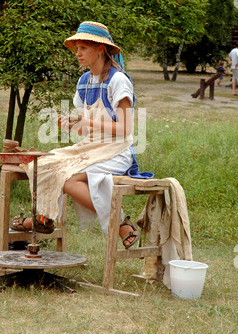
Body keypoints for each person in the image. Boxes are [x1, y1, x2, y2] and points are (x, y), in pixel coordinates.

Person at [11, 21, 152, 248]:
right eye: (76, 48)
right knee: (44, 162)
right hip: (92, 147)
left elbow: (126, 129)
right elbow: (86, 129)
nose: (77, 53)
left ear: (100, 49)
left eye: (83, 48)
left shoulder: (118, 81)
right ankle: (44, 218)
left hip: (116, 151)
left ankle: (121, 225)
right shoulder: (84, 82)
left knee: (67, 178)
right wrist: (71, 124)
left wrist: (87, 121)